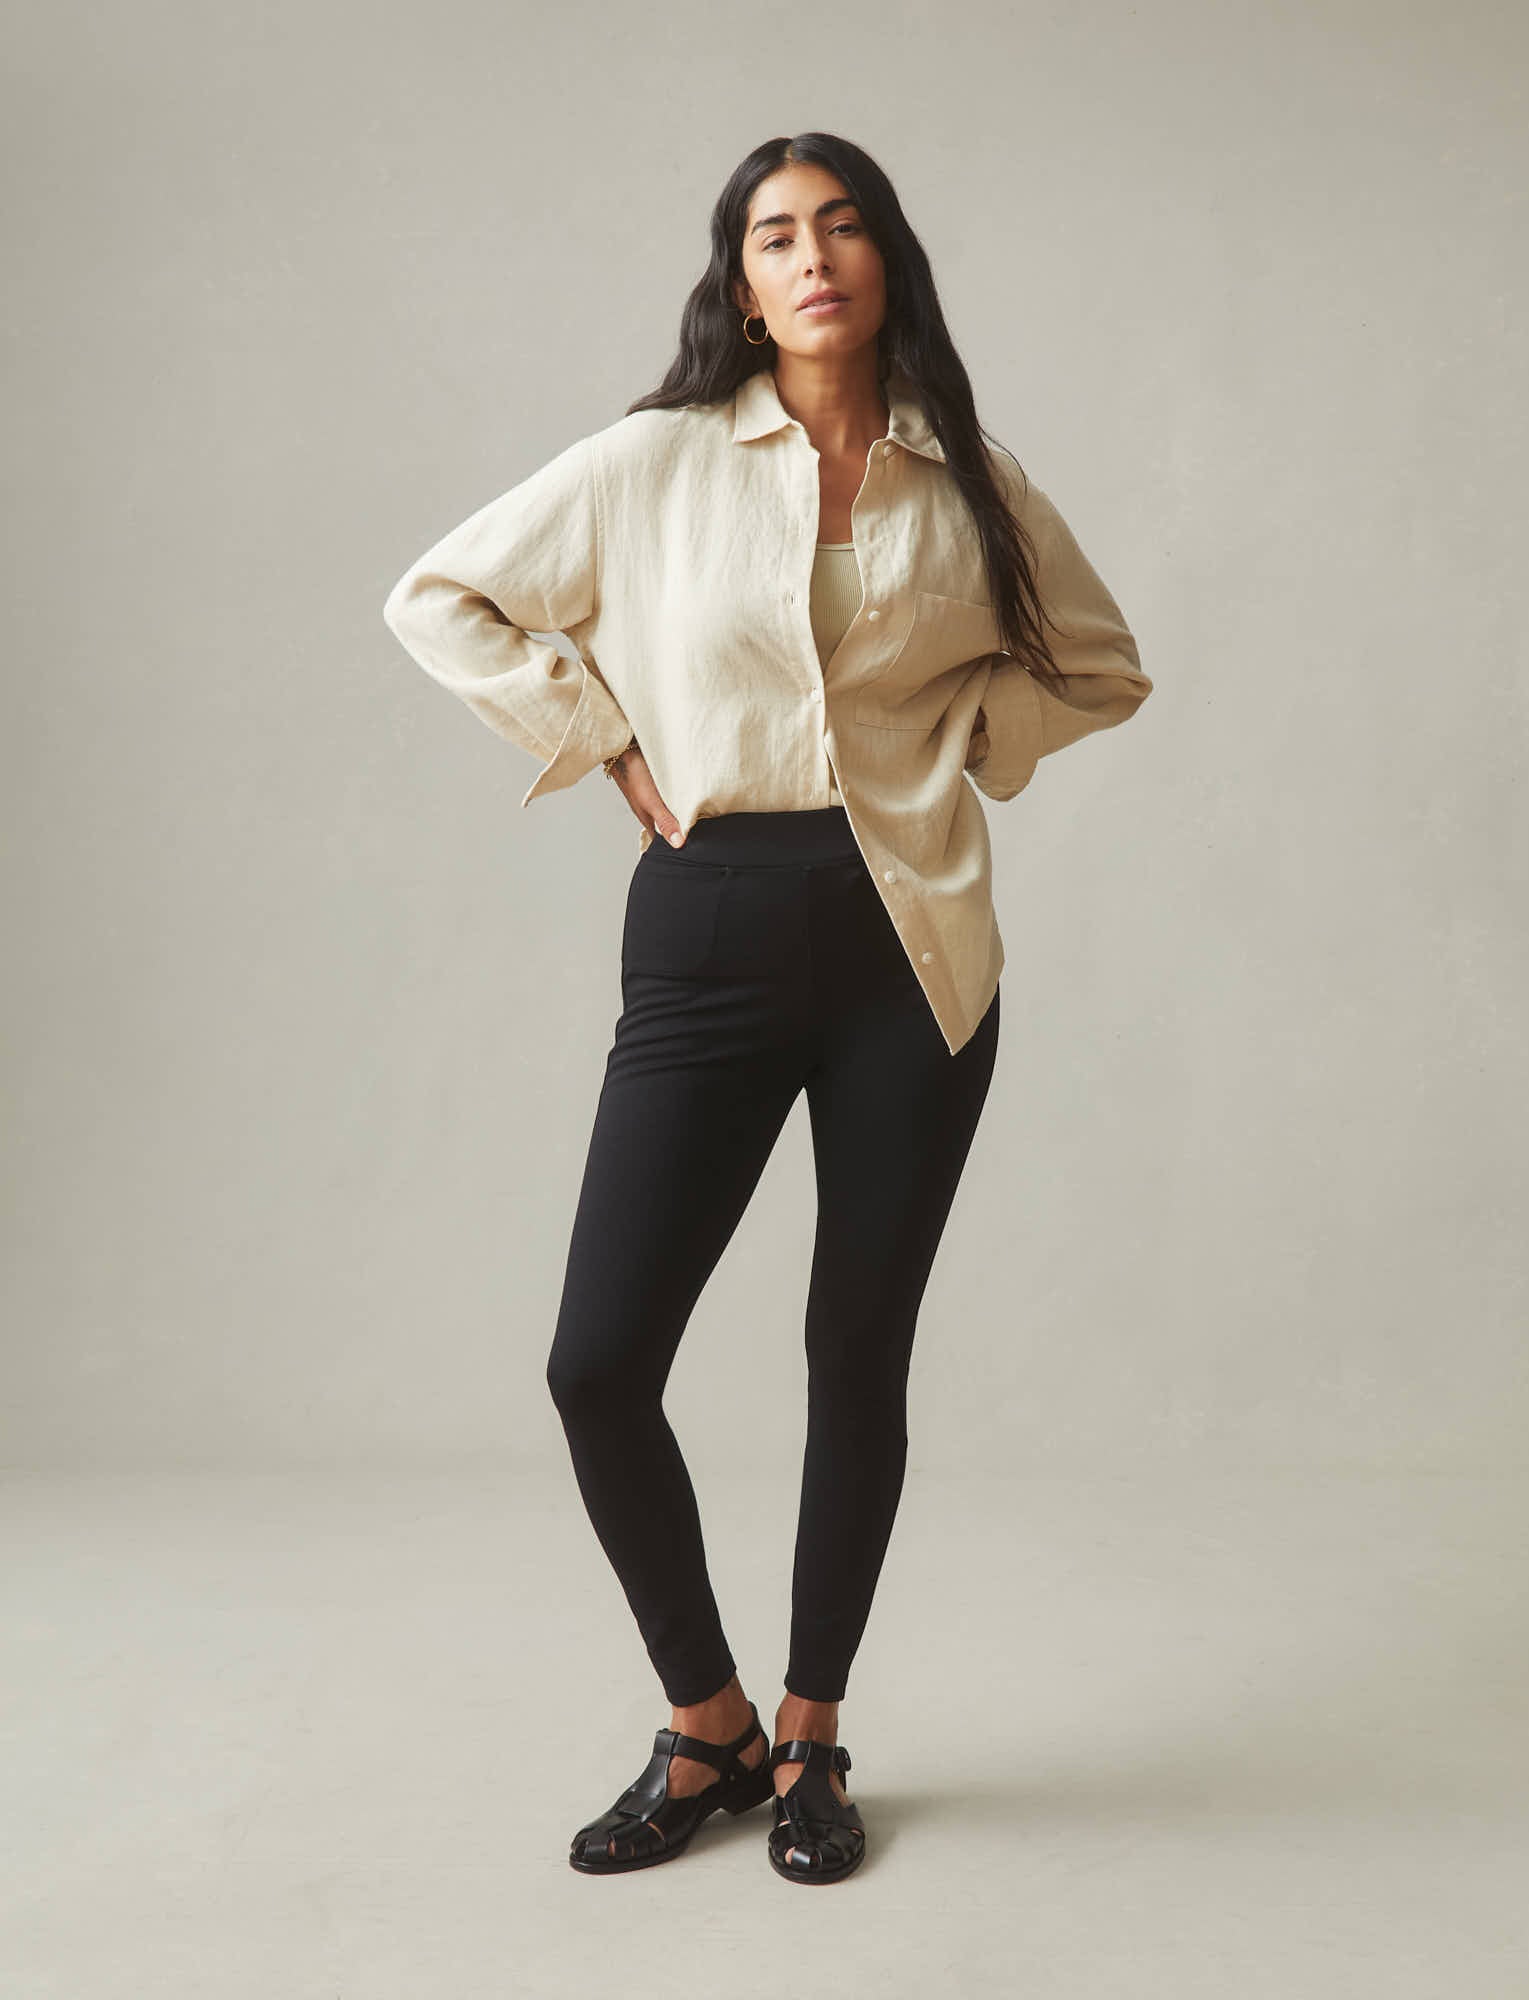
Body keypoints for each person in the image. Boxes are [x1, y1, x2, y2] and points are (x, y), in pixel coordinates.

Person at [382, 131, 1153, 1885]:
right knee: (598, 1363)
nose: (814, 258)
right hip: (712, 928)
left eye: (843, 225)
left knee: (855, 1352)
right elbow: (441, 597)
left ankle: (809, 1735)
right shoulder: (653, 462)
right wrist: (601, 739)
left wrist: (960, 749)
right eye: (777, 235)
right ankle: (705, 1723)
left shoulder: (971, 479)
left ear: (888, 260)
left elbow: (1098, 666)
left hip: (913, 949)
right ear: (740, 283)